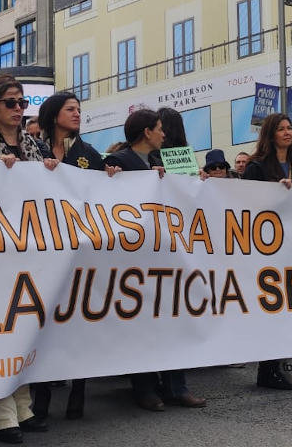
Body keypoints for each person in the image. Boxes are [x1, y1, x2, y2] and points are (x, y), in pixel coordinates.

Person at [0, 74, 59, 444]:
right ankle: (1, 416)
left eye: (22, 103)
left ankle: (24, 407)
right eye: (10, 103)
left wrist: (50, 170)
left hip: (30, 249)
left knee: (23, 327)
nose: (19, 109)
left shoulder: (34, 145)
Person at [104, 109, 207, 412]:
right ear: (146, 132)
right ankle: (145, 387)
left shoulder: (159, 162)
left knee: (174, 318)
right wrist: (113, 179)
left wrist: (195, 182)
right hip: (136, 255)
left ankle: (178, 386)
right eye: (159, 129)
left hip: (167, 251)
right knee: (143, 324)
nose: (164, 134)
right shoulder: (119, 162)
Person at [30, 91, 120, 421]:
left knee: (78, 319)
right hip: (46, 248)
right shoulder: (34, 149)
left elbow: (107, 179)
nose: (77, 114)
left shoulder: (86, 152)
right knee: (45, 323)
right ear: (54, 115)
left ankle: (78, 391)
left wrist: (111, 174)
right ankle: (39, 398)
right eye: (71, 109)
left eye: (80, 109)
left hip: (79, 251)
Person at [241, 113, 292, 387]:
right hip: (267, 247)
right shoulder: (257, 166)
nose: (288, 133)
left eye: (289, 129)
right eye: (282, 129)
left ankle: (282, 364)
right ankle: (267, 368)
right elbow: (246, 204)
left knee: (290, 307)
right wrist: (274, 192)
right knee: (271, 307)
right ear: (270, 133)